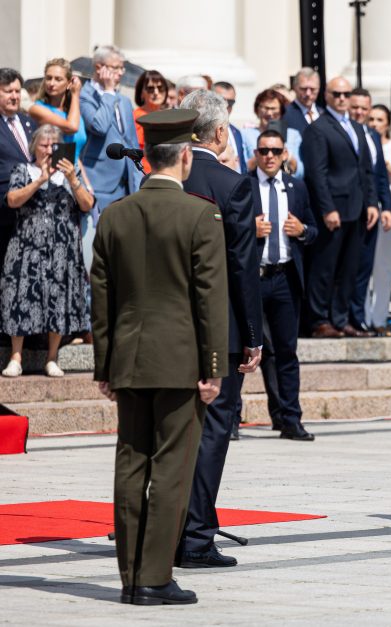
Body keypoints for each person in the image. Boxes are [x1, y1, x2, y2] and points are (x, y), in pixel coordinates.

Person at [91, 108, 226, 606]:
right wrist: (213, 369)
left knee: (130, 464)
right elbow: (209, 299)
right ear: (186, 156)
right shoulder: (199, 214)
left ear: (147, 154)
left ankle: (131, 576)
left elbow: (100, 298)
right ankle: (153, 577)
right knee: (171, 468)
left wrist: (104, 364)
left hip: (128, 357)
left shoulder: (115, 214)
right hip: (180, 362)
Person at [178, 89, 263, 568]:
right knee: (213, 431)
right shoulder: (232, 184)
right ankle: (195, 537)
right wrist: (253, 335)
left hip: (169, 325)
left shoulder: (164, 178)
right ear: (219, 132)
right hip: (219, 331)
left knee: (176, 431)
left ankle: (172, 528)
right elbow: (242, 266)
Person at [1, 124, 94, 377]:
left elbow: (87, 205)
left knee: (58, 299)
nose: (48, 150)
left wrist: (73, 180)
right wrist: (40, 179)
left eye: (54, 145)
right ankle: (16, 357)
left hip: (62, 249)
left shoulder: (70, 174)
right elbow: (12, 200)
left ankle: (52, 358)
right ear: (34, 147)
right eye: (43, 145)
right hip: (25, 245)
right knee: (19, 297)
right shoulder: (23, 170)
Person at [251, 128, 317, 440]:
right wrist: (249, 230)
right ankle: (231, 418)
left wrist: (302, 230)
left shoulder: (296, 187)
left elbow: (315, 230)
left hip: (286, 277)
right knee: (243, 349)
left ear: (284, 155)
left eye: (275, 151)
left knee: (287, 351)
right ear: (256, 154)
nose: (269, 157)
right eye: (263, 151)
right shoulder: (245, 186)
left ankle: (291, 418)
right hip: (254, 277)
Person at [301, 76, 378, 338]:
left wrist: (371, 202)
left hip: (356, 208)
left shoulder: (356, 128)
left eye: (346, 94)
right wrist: (327, 208)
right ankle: (319, 319)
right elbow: (317, 173)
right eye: (337, 94)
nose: (343, 98)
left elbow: (365, 169)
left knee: (349, 267)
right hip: (333, 210)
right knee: (325, 267)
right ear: (328, 95)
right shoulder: (319, 128)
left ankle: (341, 317)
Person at [79, 45, 142, 269]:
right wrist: (106, 92)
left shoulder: (123, 101)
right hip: (99, 185)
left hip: (126, 187)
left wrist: (138, 182)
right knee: (98, 254)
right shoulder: (85, 96)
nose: (121, 73)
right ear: (100, 67)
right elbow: (99, 126)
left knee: (122, 255)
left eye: (122, 68)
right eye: (116, 68)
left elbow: (131, 143)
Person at [347, 87, 391, 335]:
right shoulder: (343, 132)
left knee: (365, 267)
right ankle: (346, 318)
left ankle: (359, 318)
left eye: (364, 108)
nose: (359, 112)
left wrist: (385, 207)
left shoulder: (372, 135)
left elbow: (378, 176)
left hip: (371, 213)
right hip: (348, 211)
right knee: (348, 267)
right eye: (355, 107)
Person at [367, 104, 391, 335]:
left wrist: (382, 162)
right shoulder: (362, 141)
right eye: (371, 119)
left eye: (379, 119)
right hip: (368, 204)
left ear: (387, 124)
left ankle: (379, 317)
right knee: (365, 266)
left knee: (384, 264)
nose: (374, 123)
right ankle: (362, 316)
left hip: (388, 203)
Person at [0, 68, 35, 265]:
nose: (14, 96)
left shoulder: (28, 122)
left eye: (17, 91)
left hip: (30, 211)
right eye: (8, 91)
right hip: (4, 209)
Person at [28, 58, 87, 163]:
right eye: (48, 78)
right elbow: (71, 127)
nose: (51, 83)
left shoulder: (74, 114)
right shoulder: (37, 109)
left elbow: (76, 156)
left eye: (58, 79)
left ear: (69, 83)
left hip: (73, 173)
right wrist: (75, 94)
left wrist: (84, 180)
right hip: (52, 174)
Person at [241, 89, 303, 177]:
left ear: (281, 112)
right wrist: (261, 153)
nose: (269, 113)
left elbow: (300, 173)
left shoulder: (292, 135)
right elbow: (241, 168)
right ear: (257, 110)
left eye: (273, 108)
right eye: (265, 108)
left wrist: (285, 154)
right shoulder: (245, 134)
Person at [131, 70, 169, 173]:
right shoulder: (135, 117)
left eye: (160, 88)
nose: (156, 93)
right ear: (141, 93)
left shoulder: (168, 116)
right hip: (144, 174)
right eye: (150, 89)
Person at [212, 82, 248, 174]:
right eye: (221, 101)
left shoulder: (236, 132)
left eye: (231, 102)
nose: (226, 106)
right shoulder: (203, 131)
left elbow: (242, 167)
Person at [284, 67, 323, 133]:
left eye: (312, 89)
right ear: (295, 88)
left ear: (318, 88)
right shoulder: (285, 114)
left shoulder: (324, 114)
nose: (308, 93)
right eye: (303, 89)